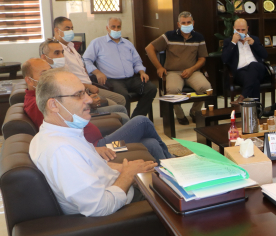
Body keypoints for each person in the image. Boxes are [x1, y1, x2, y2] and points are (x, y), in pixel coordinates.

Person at [29, 68, 157, 217]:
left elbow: (93, 167)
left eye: (85, 92)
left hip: (118, 188)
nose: (89, 100)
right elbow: (100, 207)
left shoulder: (62, 134)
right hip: (122, 209)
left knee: (152, 150)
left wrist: (125, 169)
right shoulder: (62, 150)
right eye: (78, 95)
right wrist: (128, 175)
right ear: (54, 105)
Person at [22, 58, 173, 161]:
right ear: (29, 80)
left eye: (51, 72)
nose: (50, 77)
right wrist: (93, 150)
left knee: (151, 143)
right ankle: (171, 161)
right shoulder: (39, 104)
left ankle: (171, 166)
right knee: (142, 122)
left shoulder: (43, 98)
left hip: (97, 143)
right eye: (44, 74)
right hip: (100, 146)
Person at [39, 38, 129, 124]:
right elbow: (67, 108)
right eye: (57, 53)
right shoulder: (49, 79)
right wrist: (88, 103)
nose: (62, 56)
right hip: (79, 117)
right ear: (44, 57)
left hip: (84, 103)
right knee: (122, 114)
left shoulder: (62, 70)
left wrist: (88, 98)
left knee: (121, 108)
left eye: (62, 52)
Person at [83, 17, 157, 118]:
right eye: (113, 27)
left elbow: (137, 61)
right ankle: (124, 121)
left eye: (118, 27)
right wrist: (97, 72)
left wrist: (141, 72)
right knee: (123, 96)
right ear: (107, 28)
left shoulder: (128, 44)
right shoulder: (97, 43)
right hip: (112, 80)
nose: (116, 29)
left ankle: (136, 118)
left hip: (131, 79)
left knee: (151, 88)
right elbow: (86, 60)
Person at [146, 11, 211, 125]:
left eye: (188, 22)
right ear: (178, 24)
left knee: (206, 88)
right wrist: (159, 67)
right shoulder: (169, 36)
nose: (186, 25)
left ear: (193, 23)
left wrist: (191, 69)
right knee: (172, 91)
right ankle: (180, 115)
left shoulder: (199, 37)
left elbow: (202, 58)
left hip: (192, 71)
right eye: (183, 23)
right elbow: (149, 48)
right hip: (173, 72)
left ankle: (194, 112)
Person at [51, 16, 127, 107]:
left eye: (72, 28)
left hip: (89, 86)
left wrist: (89, 82)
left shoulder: (71, 46)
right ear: (56, 30)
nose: (70, 31)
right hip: (77, 90)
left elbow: (82, 66)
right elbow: (63, 79)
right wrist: (88, 86)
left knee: (121, 99)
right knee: (116, 106)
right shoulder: (56, 50)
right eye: (67, 29)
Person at [221, 18, 270, 106]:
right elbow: (224, 59)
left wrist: (254, 44)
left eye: (243, 30)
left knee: (253, 65)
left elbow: (265, 55)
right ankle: (256, 111)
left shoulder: (254, 39)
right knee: (255, 82)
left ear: (247, 28)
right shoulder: (229, 41)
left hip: (258, 69)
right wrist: (233, 43)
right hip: (241, 72)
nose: (240, 32)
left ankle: (242, 97)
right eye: (238, 30)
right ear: (233, 29)